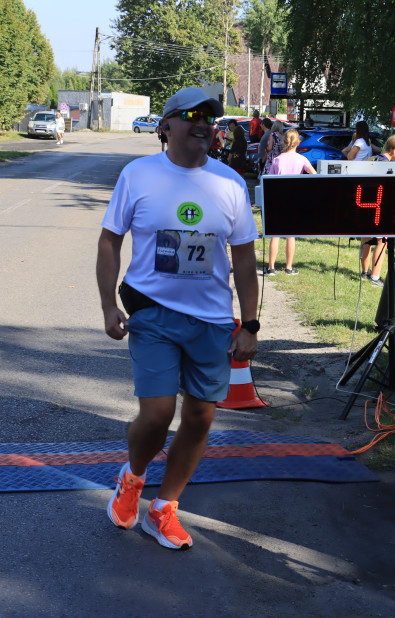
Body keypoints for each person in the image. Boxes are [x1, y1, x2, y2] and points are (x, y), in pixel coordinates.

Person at [98, 86, 259, 551]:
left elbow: (245, 261)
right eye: (191, 115)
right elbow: (109, 241)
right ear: (165, 126)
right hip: (152, 310)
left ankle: (164, 508)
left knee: (201, 417)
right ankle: (133, 477)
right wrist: (109, 304)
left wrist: (248, 324)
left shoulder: (230, 183)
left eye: (209, 116)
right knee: (157, 415)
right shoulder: (138, 174)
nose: (203, 123)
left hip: (211, 320)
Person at [264, 129, 317, 275]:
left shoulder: (277, 159)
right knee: (290, 235)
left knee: (275, 234)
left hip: (278, 199)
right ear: (298, 142)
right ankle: (288, 267)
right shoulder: (302, 159)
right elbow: (315, 175)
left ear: (284, 141)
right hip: (294, 200)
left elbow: (268, 181)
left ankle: (271, 268)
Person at [359, 134, 395, 285]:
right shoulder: (387, 166)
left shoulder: (371, 159)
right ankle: (375, 277)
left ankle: (365, 271)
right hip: (379, 210)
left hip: (366, 206)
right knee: (382, 242)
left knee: (367, 240)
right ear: (394, 150)